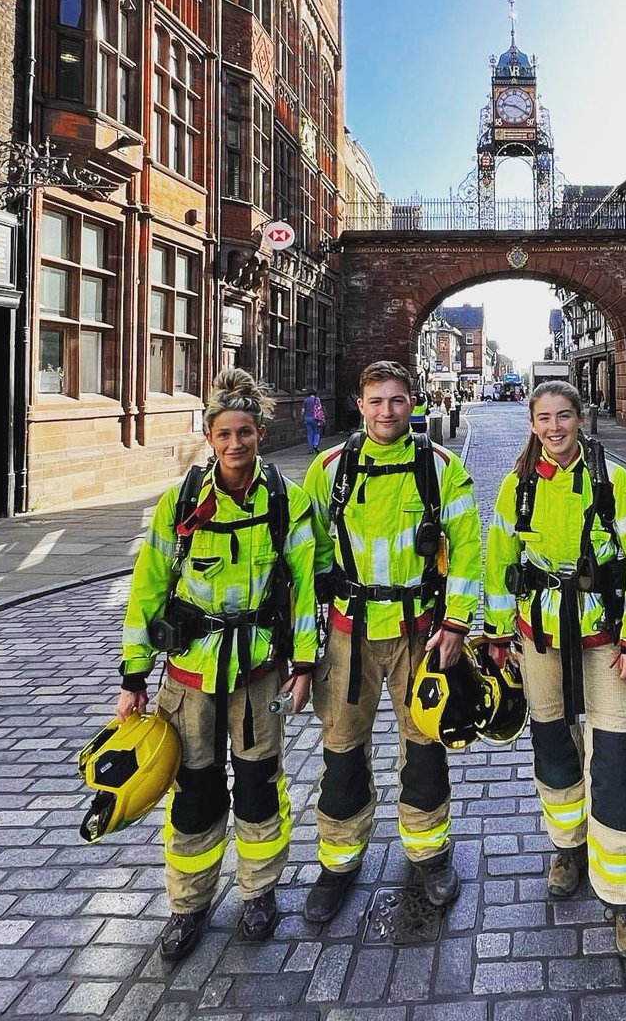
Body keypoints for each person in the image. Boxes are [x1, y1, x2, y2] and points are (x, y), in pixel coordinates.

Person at [117, 369, 317, 962]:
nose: (236, 444)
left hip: (257, 671)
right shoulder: (178, 503)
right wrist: (133, 675)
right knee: (194, 792)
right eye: (225, 434)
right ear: (210, 437)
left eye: (246, 432)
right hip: (190, 676)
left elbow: (303, 590)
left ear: (261, 432)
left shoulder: (288, 501)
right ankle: (188, 902)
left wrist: (302, 665)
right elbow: (147, 590)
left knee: (259, 786)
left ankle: (259, 892)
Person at [484, 381, 626, 961]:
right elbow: (499, 561)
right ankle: (567, 846)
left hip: (605, 639)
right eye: (544, 419)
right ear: (532, 424)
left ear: (580, 419)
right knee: (554, 748)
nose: (554, 428)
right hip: (541, 638)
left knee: (612, 759)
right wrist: (497, 632)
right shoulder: (518, 487)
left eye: (564, 417)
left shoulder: (613, 482)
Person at [301, 361, 482, 924]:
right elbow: (306, 558)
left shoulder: (440, 467)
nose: (387, 411)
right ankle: (339, 859)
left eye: (398, 400)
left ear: (412, 402)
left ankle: (429, 853)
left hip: (419, 633)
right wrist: (306, 645)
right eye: (376, 400)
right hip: (348, 635)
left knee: (425, 747)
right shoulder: (328, 468)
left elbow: (468, 549)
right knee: (342, 750)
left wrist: (454, 624)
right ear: (360, 404)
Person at [302, 387, 325, 455]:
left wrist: (303, 417)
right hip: (316, 419)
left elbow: (303, 410)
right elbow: (319, 408)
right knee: (317, 432)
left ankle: (310, 449)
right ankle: (315, 444)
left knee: (309, 433)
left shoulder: (306, 400)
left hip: (307, 418)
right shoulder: (317, 399)